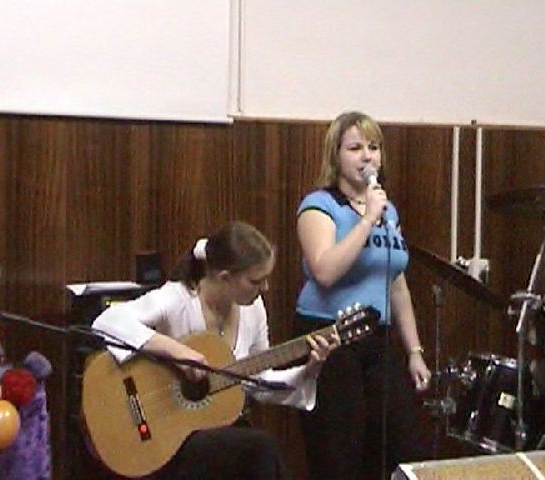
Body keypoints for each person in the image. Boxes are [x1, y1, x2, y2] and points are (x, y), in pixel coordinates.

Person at [92, 221, 338, 480]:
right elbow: (107, 322)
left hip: (220, 429)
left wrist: (309, 370)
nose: (264, 288)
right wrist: (175, 351)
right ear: (225, 278)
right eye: (256, 281)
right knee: (261, 449)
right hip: (169, 436)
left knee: (256, 450)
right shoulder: (178, 299)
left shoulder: (253, 309)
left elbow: (259, 381)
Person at [294, 111, 432, 480]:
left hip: (377, 336)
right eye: (355, 148)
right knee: (341, 454)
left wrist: (414, 351)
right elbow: (325, 271)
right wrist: (367, 219)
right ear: (336, 155)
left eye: (373, 147)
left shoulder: (389, 211)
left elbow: (395, 281)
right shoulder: (319, 205)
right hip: (329, 339)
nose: (367, 156)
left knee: (403, 445)